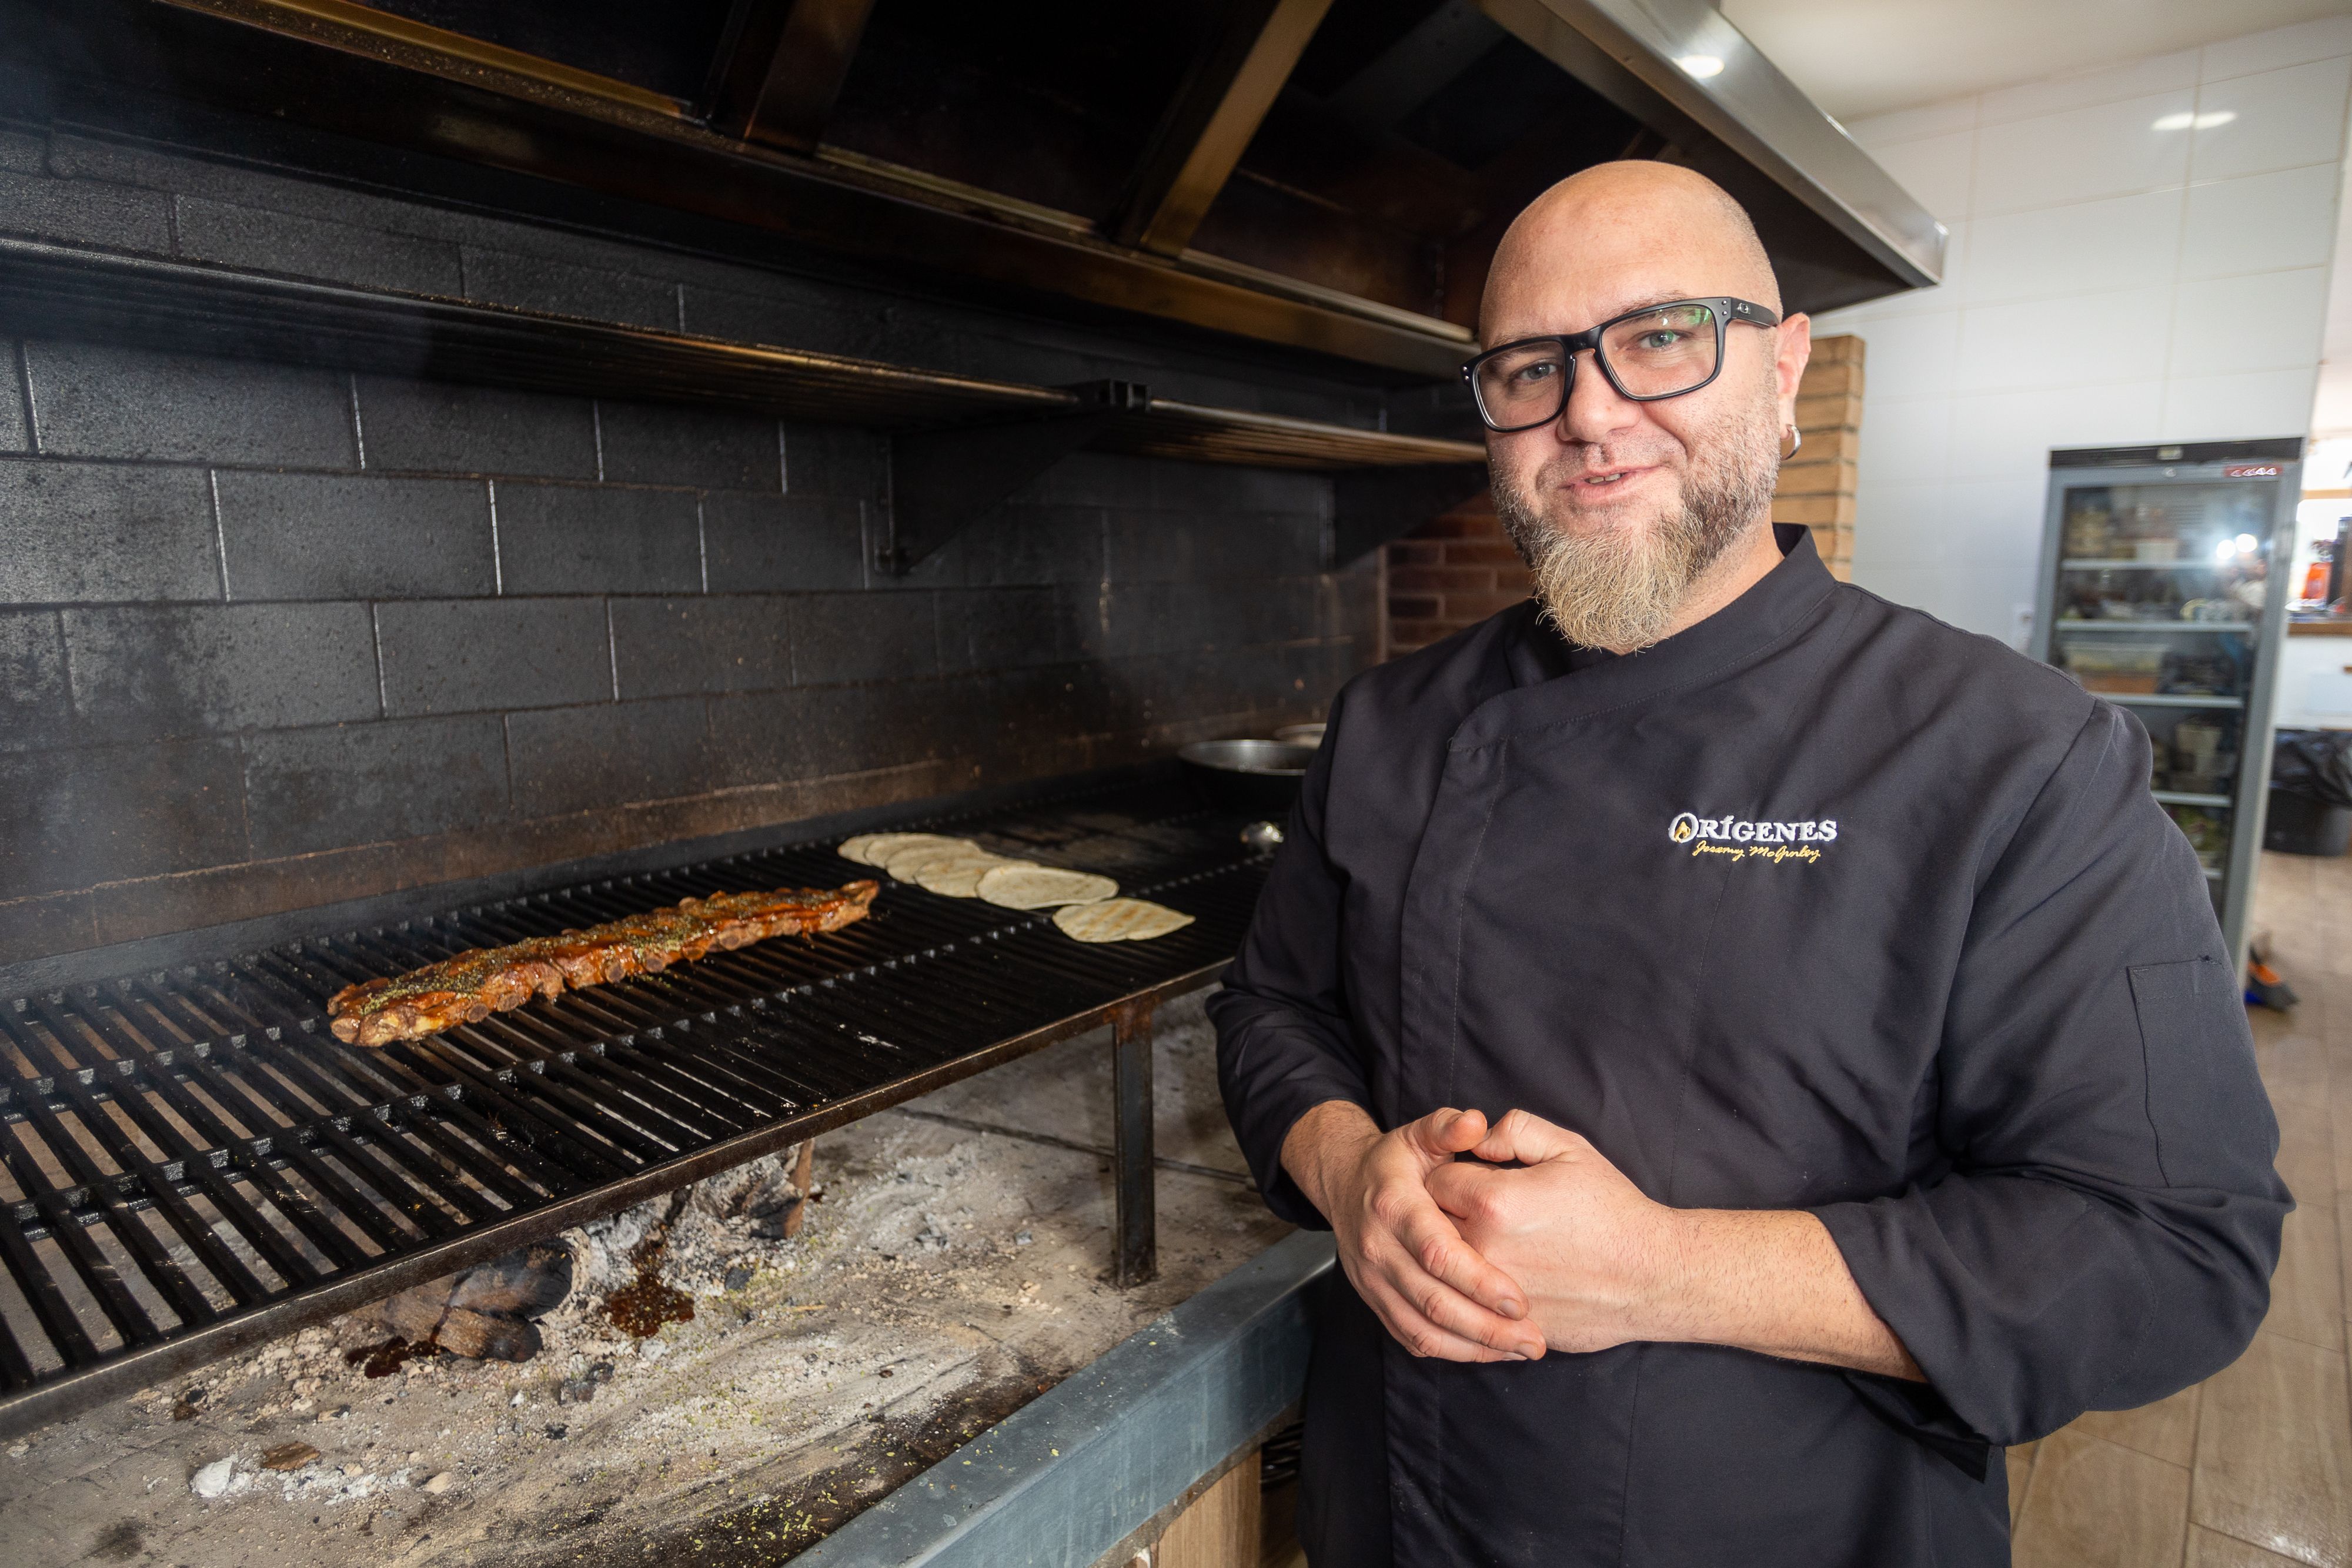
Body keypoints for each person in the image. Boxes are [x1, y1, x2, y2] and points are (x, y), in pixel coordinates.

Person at [1208, 161, 2287, 1567]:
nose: (1588, 414)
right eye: (1529, 367)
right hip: (1400, 1509)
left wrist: (1662, 1272)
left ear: (1784, 371)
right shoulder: (1391, 721)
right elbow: (1272, 1009)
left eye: (1659, 338)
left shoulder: (2013, 758)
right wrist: (1349, 1170)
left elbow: (2168, 1247)